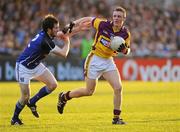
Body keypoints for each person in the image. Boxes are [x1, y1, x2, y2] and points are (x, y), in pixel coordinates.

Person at [57, 6, 131, 125]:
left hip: (108, 60)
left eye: (119, 16)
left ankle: (116, 118)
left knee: (118, 88)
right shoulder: (103, 24)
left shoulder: (125, 33)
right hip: (94, 59)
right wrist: (73, 23)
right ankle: (64, 97)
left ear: (124, 18)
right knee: (89, 91)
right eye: (115, 16)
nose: (116, 18)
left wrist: (124, 51)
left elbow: (127, 50)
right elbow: (88, 19)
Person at [11, 14, 71, 125]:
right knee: (25, 97)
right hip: (23, 67)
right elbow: (64, 54)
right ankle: (15, 118)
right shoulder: (45, 41)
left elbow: (58, 33)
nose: (58, 30)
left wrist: (65, 31)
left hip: (35, 64)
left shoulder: (46, 33)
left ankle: (32, 102)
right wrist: (67, 41)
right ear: (49, 30)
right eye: (56, 28)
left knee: (53, 85)